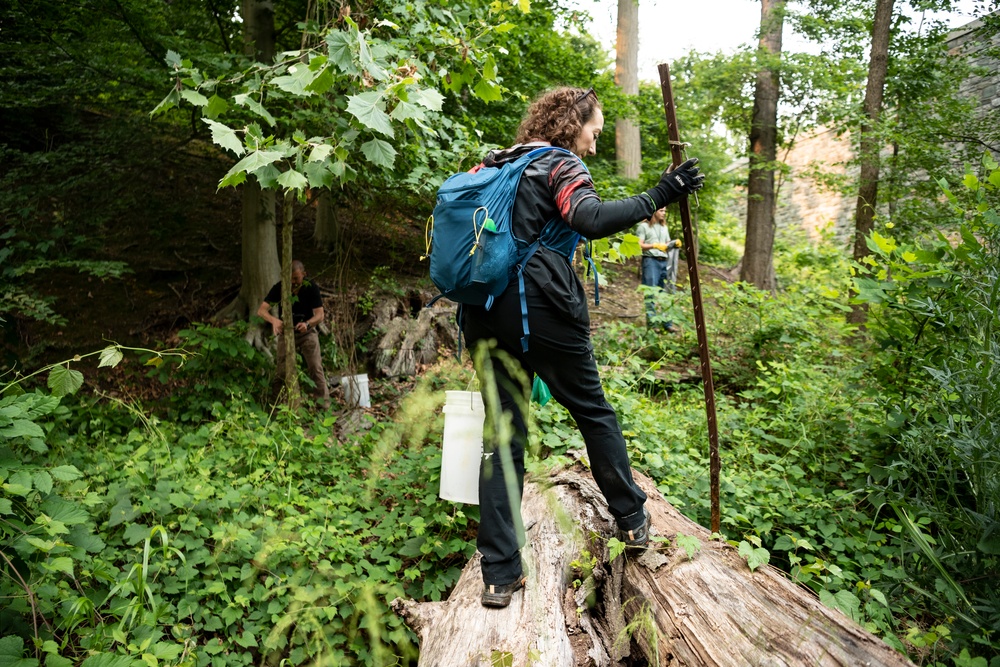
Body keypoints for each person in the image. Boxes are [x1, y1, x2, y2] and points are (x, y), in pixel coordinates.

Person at [461, 86, 705, 608]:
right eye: (594, 132)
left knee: (501, 433)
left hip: (482, 312)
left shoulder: (497, 166)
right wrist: (661, 193)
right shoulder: (558, 165)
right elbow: (588, 220)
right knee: (593, 410)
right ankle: (634, 521)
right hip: (541, 308)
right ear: (573, 125)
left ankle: (499, 575)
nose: (593, 146)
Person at [257, 260, 329, 407]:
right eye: (290, 279)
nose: (293, 282)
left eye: (296, 278)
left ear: (304, 274)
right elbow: (261, 310)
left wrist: (308, 324)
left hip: (307, 332)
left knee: (315, 367)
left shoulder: (311, 287)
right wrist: (274, 321)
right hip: (287, 332)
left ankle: (323, 406)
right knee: (281, 371)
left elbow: (320, 315)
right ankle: (275, 407)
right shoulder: (280, 288)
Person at [636, 207, 682, 331]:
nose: (664, 213)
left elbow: (667, 244)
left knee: (666, 292)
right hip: (651, 262)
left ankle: (667, 323)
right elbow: (638, 245)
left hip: (664, 262)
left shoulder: (664, 227)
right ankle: (652, 324)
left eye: (665, 211)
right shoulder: (644, 227)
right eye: (661, 211)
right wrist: (654, 245)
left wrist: (674, 243)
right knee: (650, 292)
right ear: (654, 211)